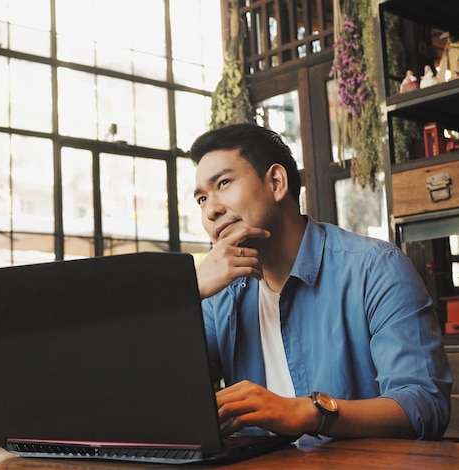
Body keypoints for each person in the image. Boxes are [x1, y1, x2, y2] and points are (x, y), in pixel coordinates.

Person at [189, 123, 452, 441]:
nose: (212, 210)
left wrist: (306, 413)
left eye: (224, 183)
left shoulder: (375, 268)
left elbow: (423, 406)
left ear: (276, 182)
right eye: (202, 199)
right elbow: (161, 394)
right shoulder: (220, 297)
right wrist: (188, 290)